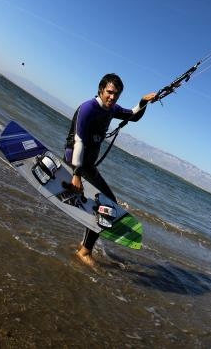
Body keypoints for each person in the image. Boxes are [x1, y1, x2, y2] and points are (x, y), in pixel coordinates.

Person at [63, 73, 157, 267]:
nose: (112, 97)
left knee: (104, 204)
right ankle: (84, 251)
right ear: (101, 89)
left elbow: (132, 116)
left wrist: (143, 102)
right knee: (108, 205)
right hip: (77, 161)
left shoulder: (111, 109)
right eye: (110, 92)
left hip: (87, 165)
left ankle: (84, 243)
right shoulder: (88, 108)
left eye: (116, 95)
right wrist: (76, 174)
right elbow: (79, 142)